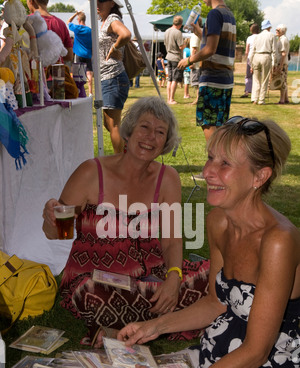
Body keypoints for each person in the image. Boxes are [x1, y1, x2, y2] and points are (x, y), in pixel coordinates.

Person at [77, 116, 300, 368]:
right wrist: (155, 327)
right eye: (210, 157)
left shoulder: (279, 241)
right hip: (215, 355)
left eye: (225, 164)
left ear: (260, 176)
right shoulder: (219, 221)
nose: (208, 171)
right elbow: (215, 302)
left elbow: (258, 351)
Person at [42, 97, 210, 345]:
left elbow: (173, 240)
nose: (150, 136)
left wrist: (174, 278)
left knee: (216, 276)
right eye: (144, 127)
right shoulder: (91, 172)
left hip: (152, 276)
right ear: (129, 132)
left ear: (165, 142)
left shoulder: (168, 178)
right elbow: (56, 233)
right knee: (90, 294)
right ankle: (165, 321)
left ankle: (127, 327)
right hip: (97, 279)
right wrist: (49, 217)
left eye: (160, 131)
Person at [178, 0, 236, 143]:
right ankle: (223, 161)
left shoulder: (214, 14)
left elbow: (211, 49)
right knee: (220, 126)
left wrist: (189, 60)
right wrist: (199, 32)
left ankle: (216, 161)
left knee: (208, 124)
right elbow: (216, 42)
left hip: (213, 78)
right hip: (225, 79)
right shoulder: (229, 14)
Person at [96, 0, 131, 153]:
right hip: (108, 78)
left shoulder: (112, 19)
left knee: (113, 124)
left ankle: (121, 161)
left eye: (102, 0)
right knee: (108, 123)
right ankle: (127, 153)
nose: (98, 3)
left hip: (113, 76)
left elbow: (126, 34)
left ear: (111, 3)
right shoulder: (104, 22)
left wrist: (115, 47)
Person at [26, 0, 73, 65]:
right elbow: (69, 56)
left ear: (31, 1)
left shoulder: (28, 22)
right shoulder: (60, 23)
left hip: (35, 72)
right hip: (57, 72)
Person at [249, 19, 277, 105]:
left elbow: (252, 51)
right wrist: (274, 63)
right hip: (266, 56)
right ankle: (261, 100)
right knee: (265, 79)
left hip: (256, 56)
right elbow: (274, 51)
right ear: (269, 27)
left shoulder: (257, 36)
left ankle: (255, 99)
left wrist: (251, 64)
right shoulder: (272, 35)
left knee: (256, 79)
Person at [67, 11, 93, 97]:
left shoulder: (77, 28)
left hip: (78, 54)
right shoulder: (90, 30)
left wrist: (75, 14)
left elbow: (68, 22)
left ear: (78, 20)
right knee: (89, 74)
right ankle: (90, 92)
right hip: (88, 54)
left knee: (78, 76)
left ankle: (79, 91)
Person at [164, 15, 185, 105]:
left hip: (168, 56)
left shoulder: (167, 31)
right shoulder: (178, 32)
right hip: (176, 57)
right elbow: (181, 46)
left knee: (169, 79)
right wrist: (185, 45)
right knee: (175, 79)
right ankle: (172, 99)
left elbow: (165, 43)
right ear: (180, 24)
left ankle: (168, 98)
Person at [240, 23, 259, 99]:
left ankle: (247, 91)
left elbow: (247, 51)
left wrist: (246, 57)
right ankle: (257, 92)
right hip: (258, 56)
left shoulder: (249, 38)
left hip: (250, 58)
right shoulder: (260, 37)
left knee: (248, 75)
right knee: (257, 75)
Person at [275, 24, 290, 105]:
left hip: (283, 63)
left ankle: (282, 100)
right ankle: (286, 98)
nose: (276, 31)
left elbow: (283, 54)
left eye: (278, 30)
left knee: (282, 81)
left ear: (282, 31)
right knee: (284, 80)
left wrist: (280, 65)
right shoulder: (281, 39)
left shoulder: (283, 40)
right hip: (283, 63)